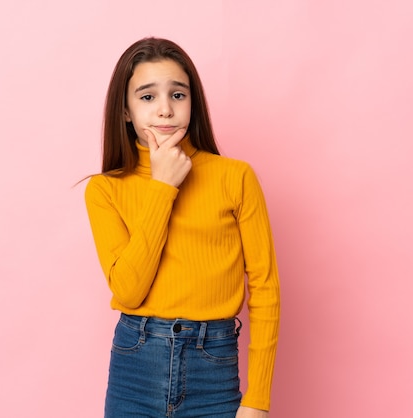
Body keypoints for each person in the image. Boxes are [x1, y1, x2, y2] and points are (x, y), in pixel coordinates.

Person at [84, 37, 281, 418]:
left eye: (178, 95)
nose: (165, 109)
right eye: (146, 97)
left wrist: (258, 398)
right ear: (125, 111)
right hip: (135, 365)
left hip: (214, 366)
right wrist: (163, 188)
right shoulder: (105, 189)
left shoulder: (235, 177)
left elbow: (265, 288)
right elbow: (128, 288)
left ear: (193, 102)